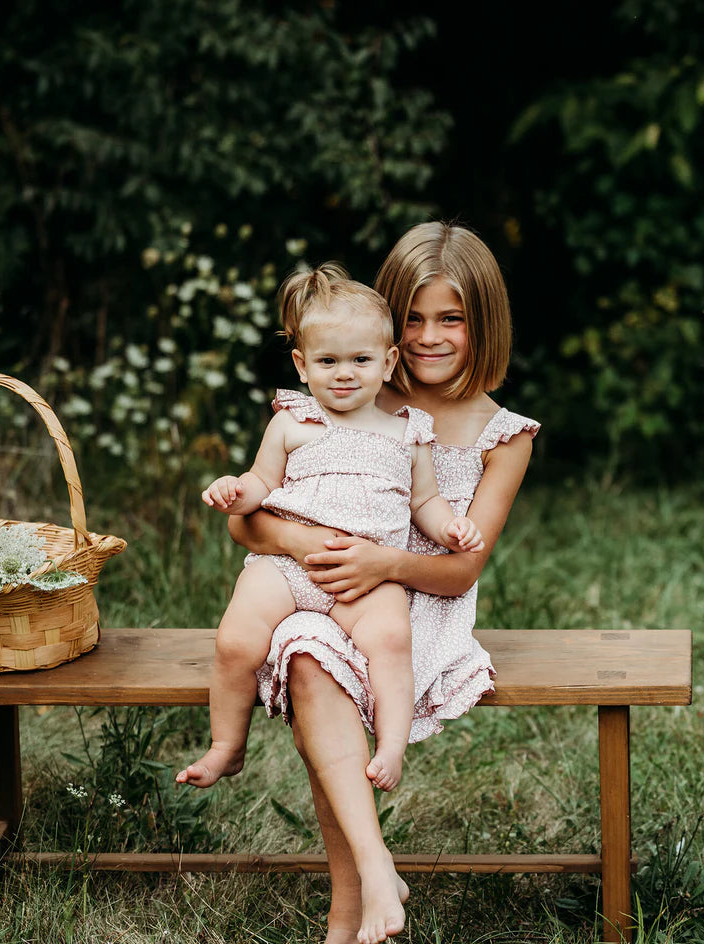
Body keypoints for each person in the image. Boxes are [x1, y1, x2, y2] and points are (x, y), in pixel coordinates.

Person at [230, 221, 540, 944]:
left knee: (324, 659)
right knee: (307, 652)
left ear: (483, 323)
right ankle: (368, 887)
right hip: (319, 584)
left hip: (419, 603)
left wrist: (383, 564)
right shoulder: (347, 393)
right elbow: (249, 523)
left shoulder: (504, 436)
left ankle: (351, 922)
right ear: (388, 327)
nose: (430, 337)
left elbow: (460, 572)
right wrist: (309, 547)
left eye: (452, 318)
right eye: (415, 318)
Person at [176, 264, 484, 795]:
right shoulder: (292, 422)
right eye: (328, 361)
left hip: (367, 579)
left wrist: (451, 528)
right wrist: (234, 489)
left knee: (392, 641)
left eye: (360, 360)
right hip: (285, 567)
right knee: (235, 639)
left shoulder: (408, 434)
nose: (344, 374)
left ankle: (391, 745)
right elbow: (261, 482)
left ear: (388, 362)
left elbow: (425, 501)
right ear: (302, 365)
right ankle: (226, 745)